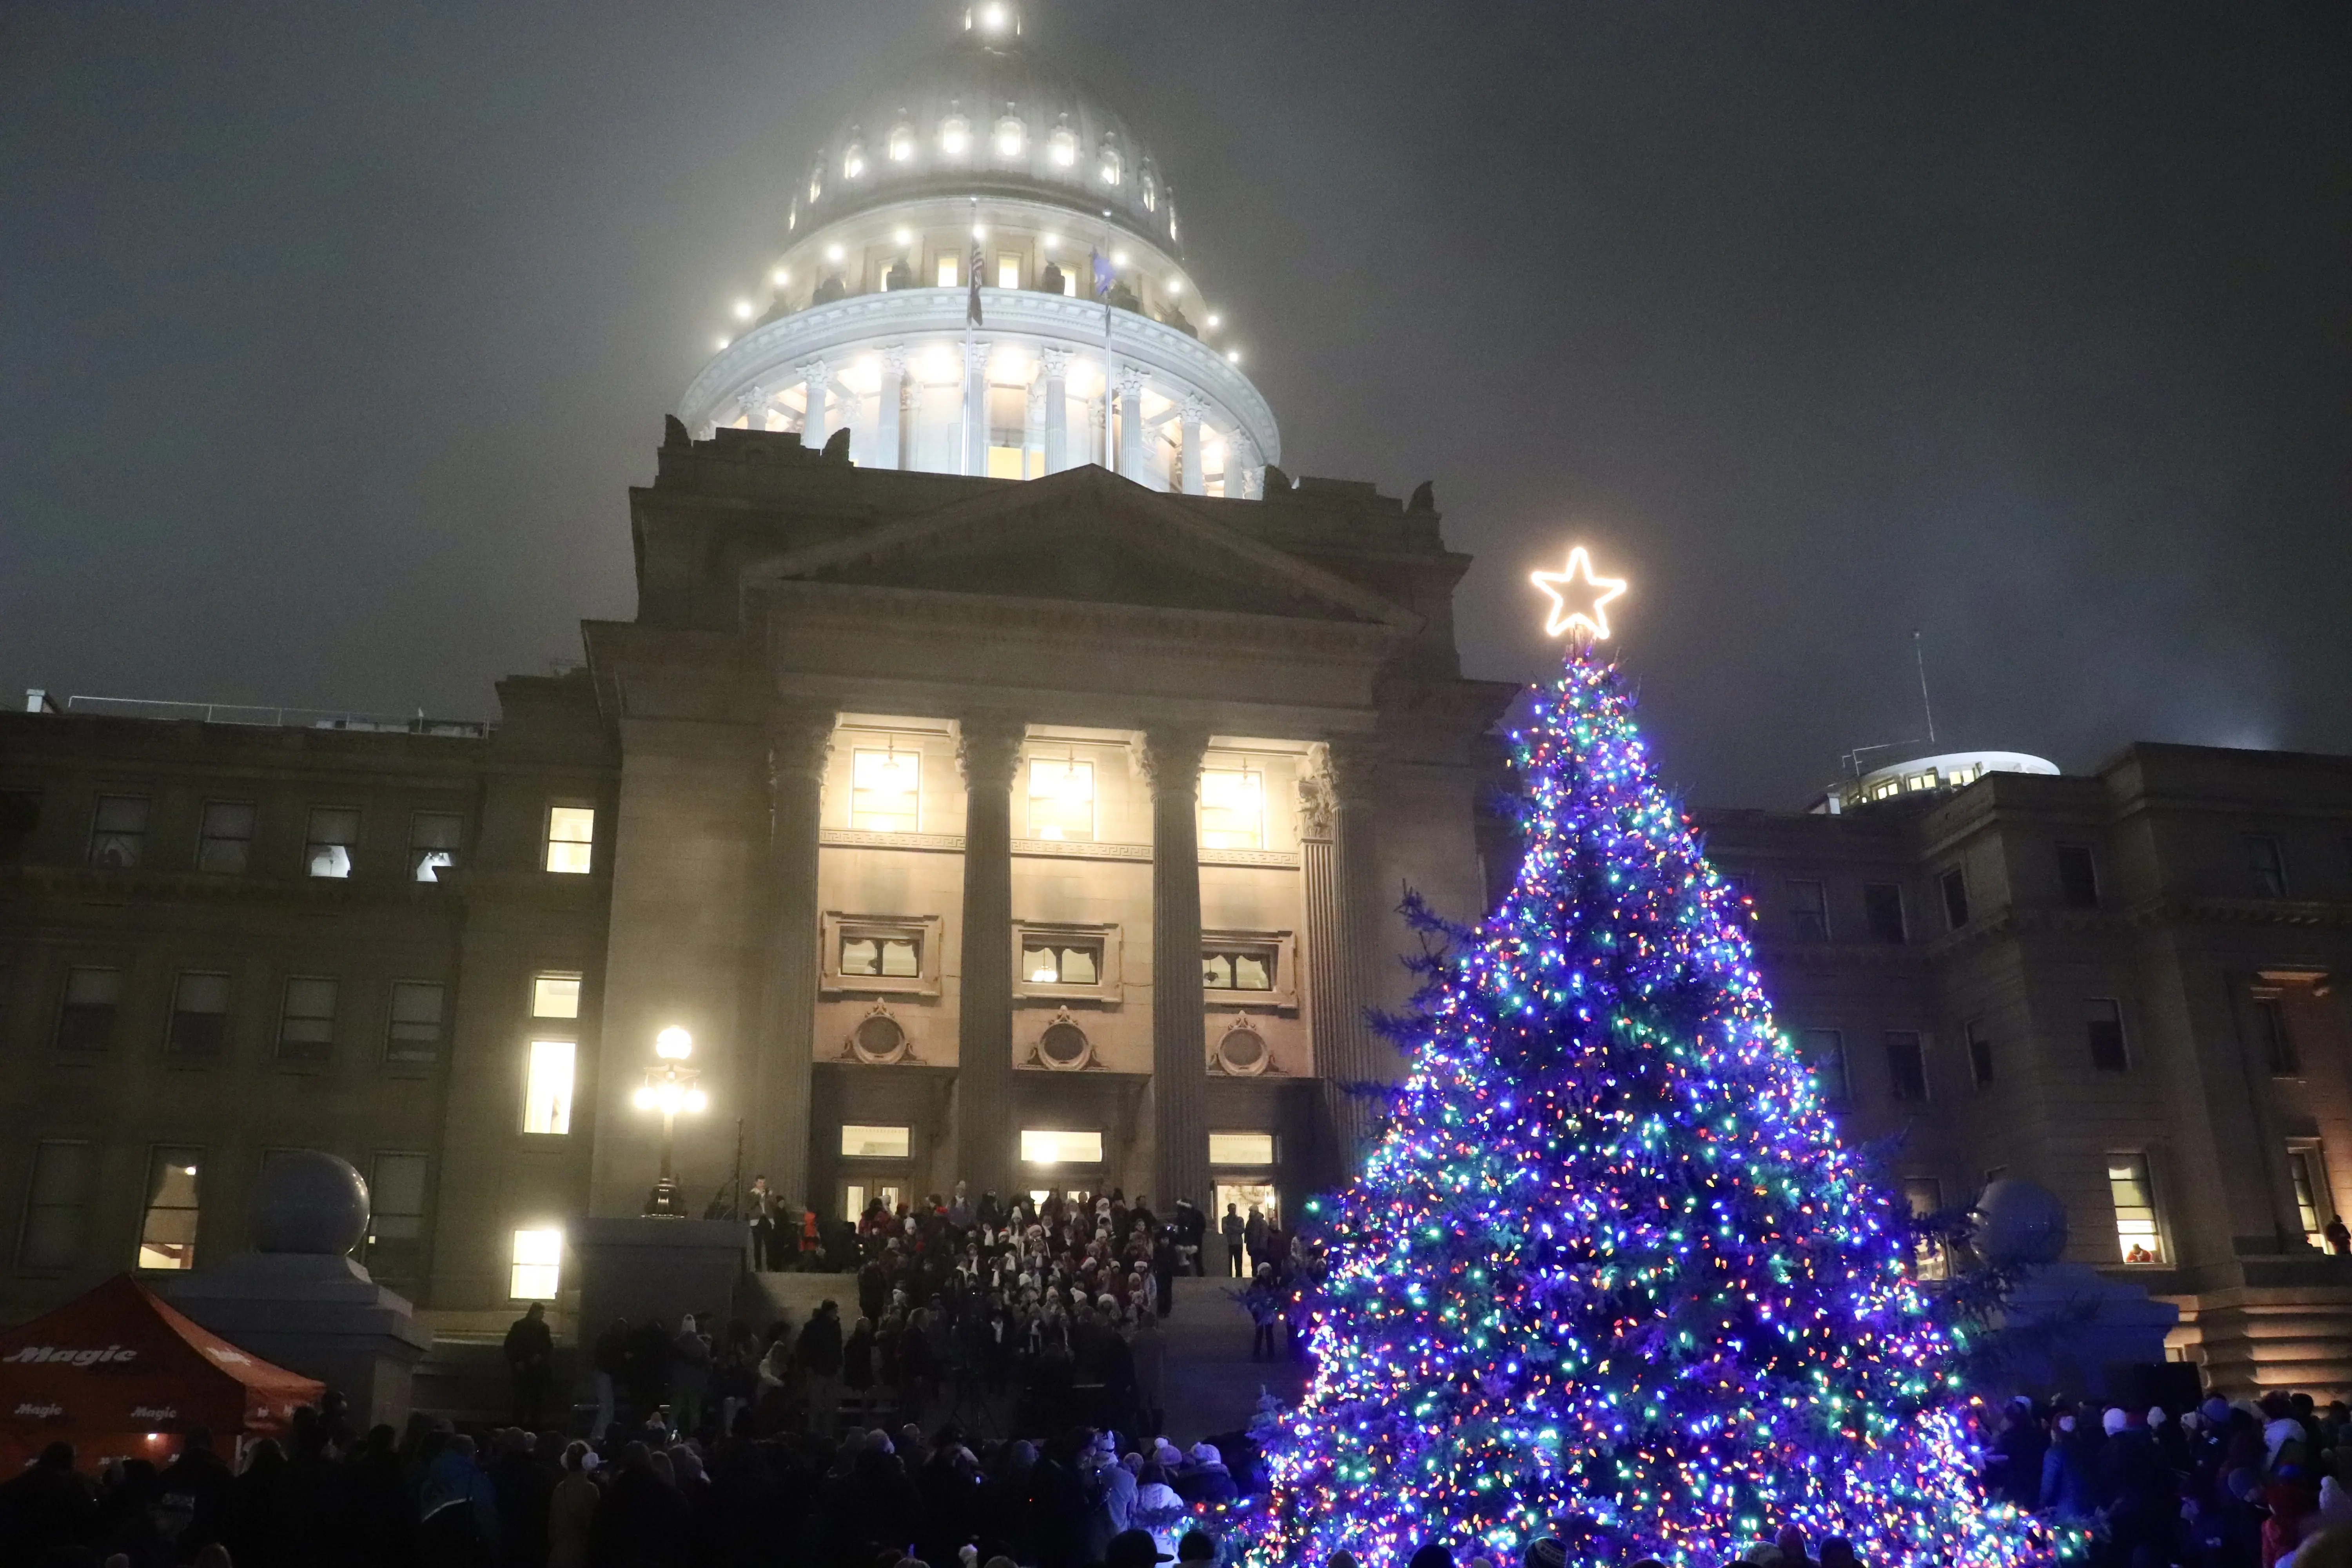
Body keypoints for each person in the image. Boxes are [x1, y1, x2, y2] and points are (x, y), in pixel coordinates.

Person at [504, 1300, 556, 1428]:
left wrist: (517, 1361)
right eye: (541, 1313)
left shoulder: (520, 1326)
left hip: (524, 1369)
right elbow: (548, 1347)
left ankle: (519, 1425)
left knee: (523, 1399)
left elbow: (510, 1345)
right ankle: (532, 1425)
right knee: (533, 1400)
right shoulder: (542, 1328)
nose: (543, 1316)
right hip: (534, 1369)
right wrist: (539, 1357)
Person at [548, 1441, 599, 1568]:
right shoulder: (590, 1489)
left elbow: (552, 1528)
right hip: (580, 1556)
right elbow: (593, 1526)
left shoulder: (559, 1488)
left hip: (557, 1555)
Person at [800, 1298, 845, 1433]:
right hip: (819, 1370)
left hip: (824, 1369)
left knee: (827, 1406)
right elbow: (806, 1348)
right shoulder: (820, 1327)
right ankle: (819, 1432)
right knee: (818, 1406)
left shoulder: (815, 1326)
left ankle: (820, 1432)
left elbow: (837, 1347)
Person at [590, 1316, 630, 1440]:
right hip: (605, 1374)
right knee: (607, 1407)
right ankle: (602, 1435)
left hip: (601, 1373)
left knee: (606, 1406)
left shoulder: (606, 1338)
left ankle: (599, 1434)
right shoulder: (615, 1341)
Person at [749, 1175, 778, 1271]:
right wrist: (760, 1194)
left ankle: (770, 1266)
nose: (762, 1185)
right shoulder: (752, 1193)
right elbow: (751, 1204)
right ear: (756, 1183)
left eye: (764, 1183)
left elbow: (774, 1205)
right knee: (757, 1245)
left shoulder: (768, 1194)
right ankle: (758, 1267)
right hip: (757, 1221)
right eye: (760, 1183)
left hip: (767, 1220)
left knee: (769, 1243)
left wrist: (769, 1196)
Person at [1220, 1204, 1246, 1277]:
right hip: (1229, 1244)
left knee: (1239, 1265)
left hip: (1238, 1244)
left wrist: (1230, 1228)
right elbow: (1225, 1230)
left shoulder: (1240, 1219)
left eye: (1235, 1209)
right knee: (1228, 1265)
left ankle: (1239, 1280)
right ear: (1228, 1210)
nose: (1233, 1211)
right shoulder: (1225, 1219)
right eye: (1232, 1209)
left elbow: (1242, 1230)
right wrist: (1235, 1229)